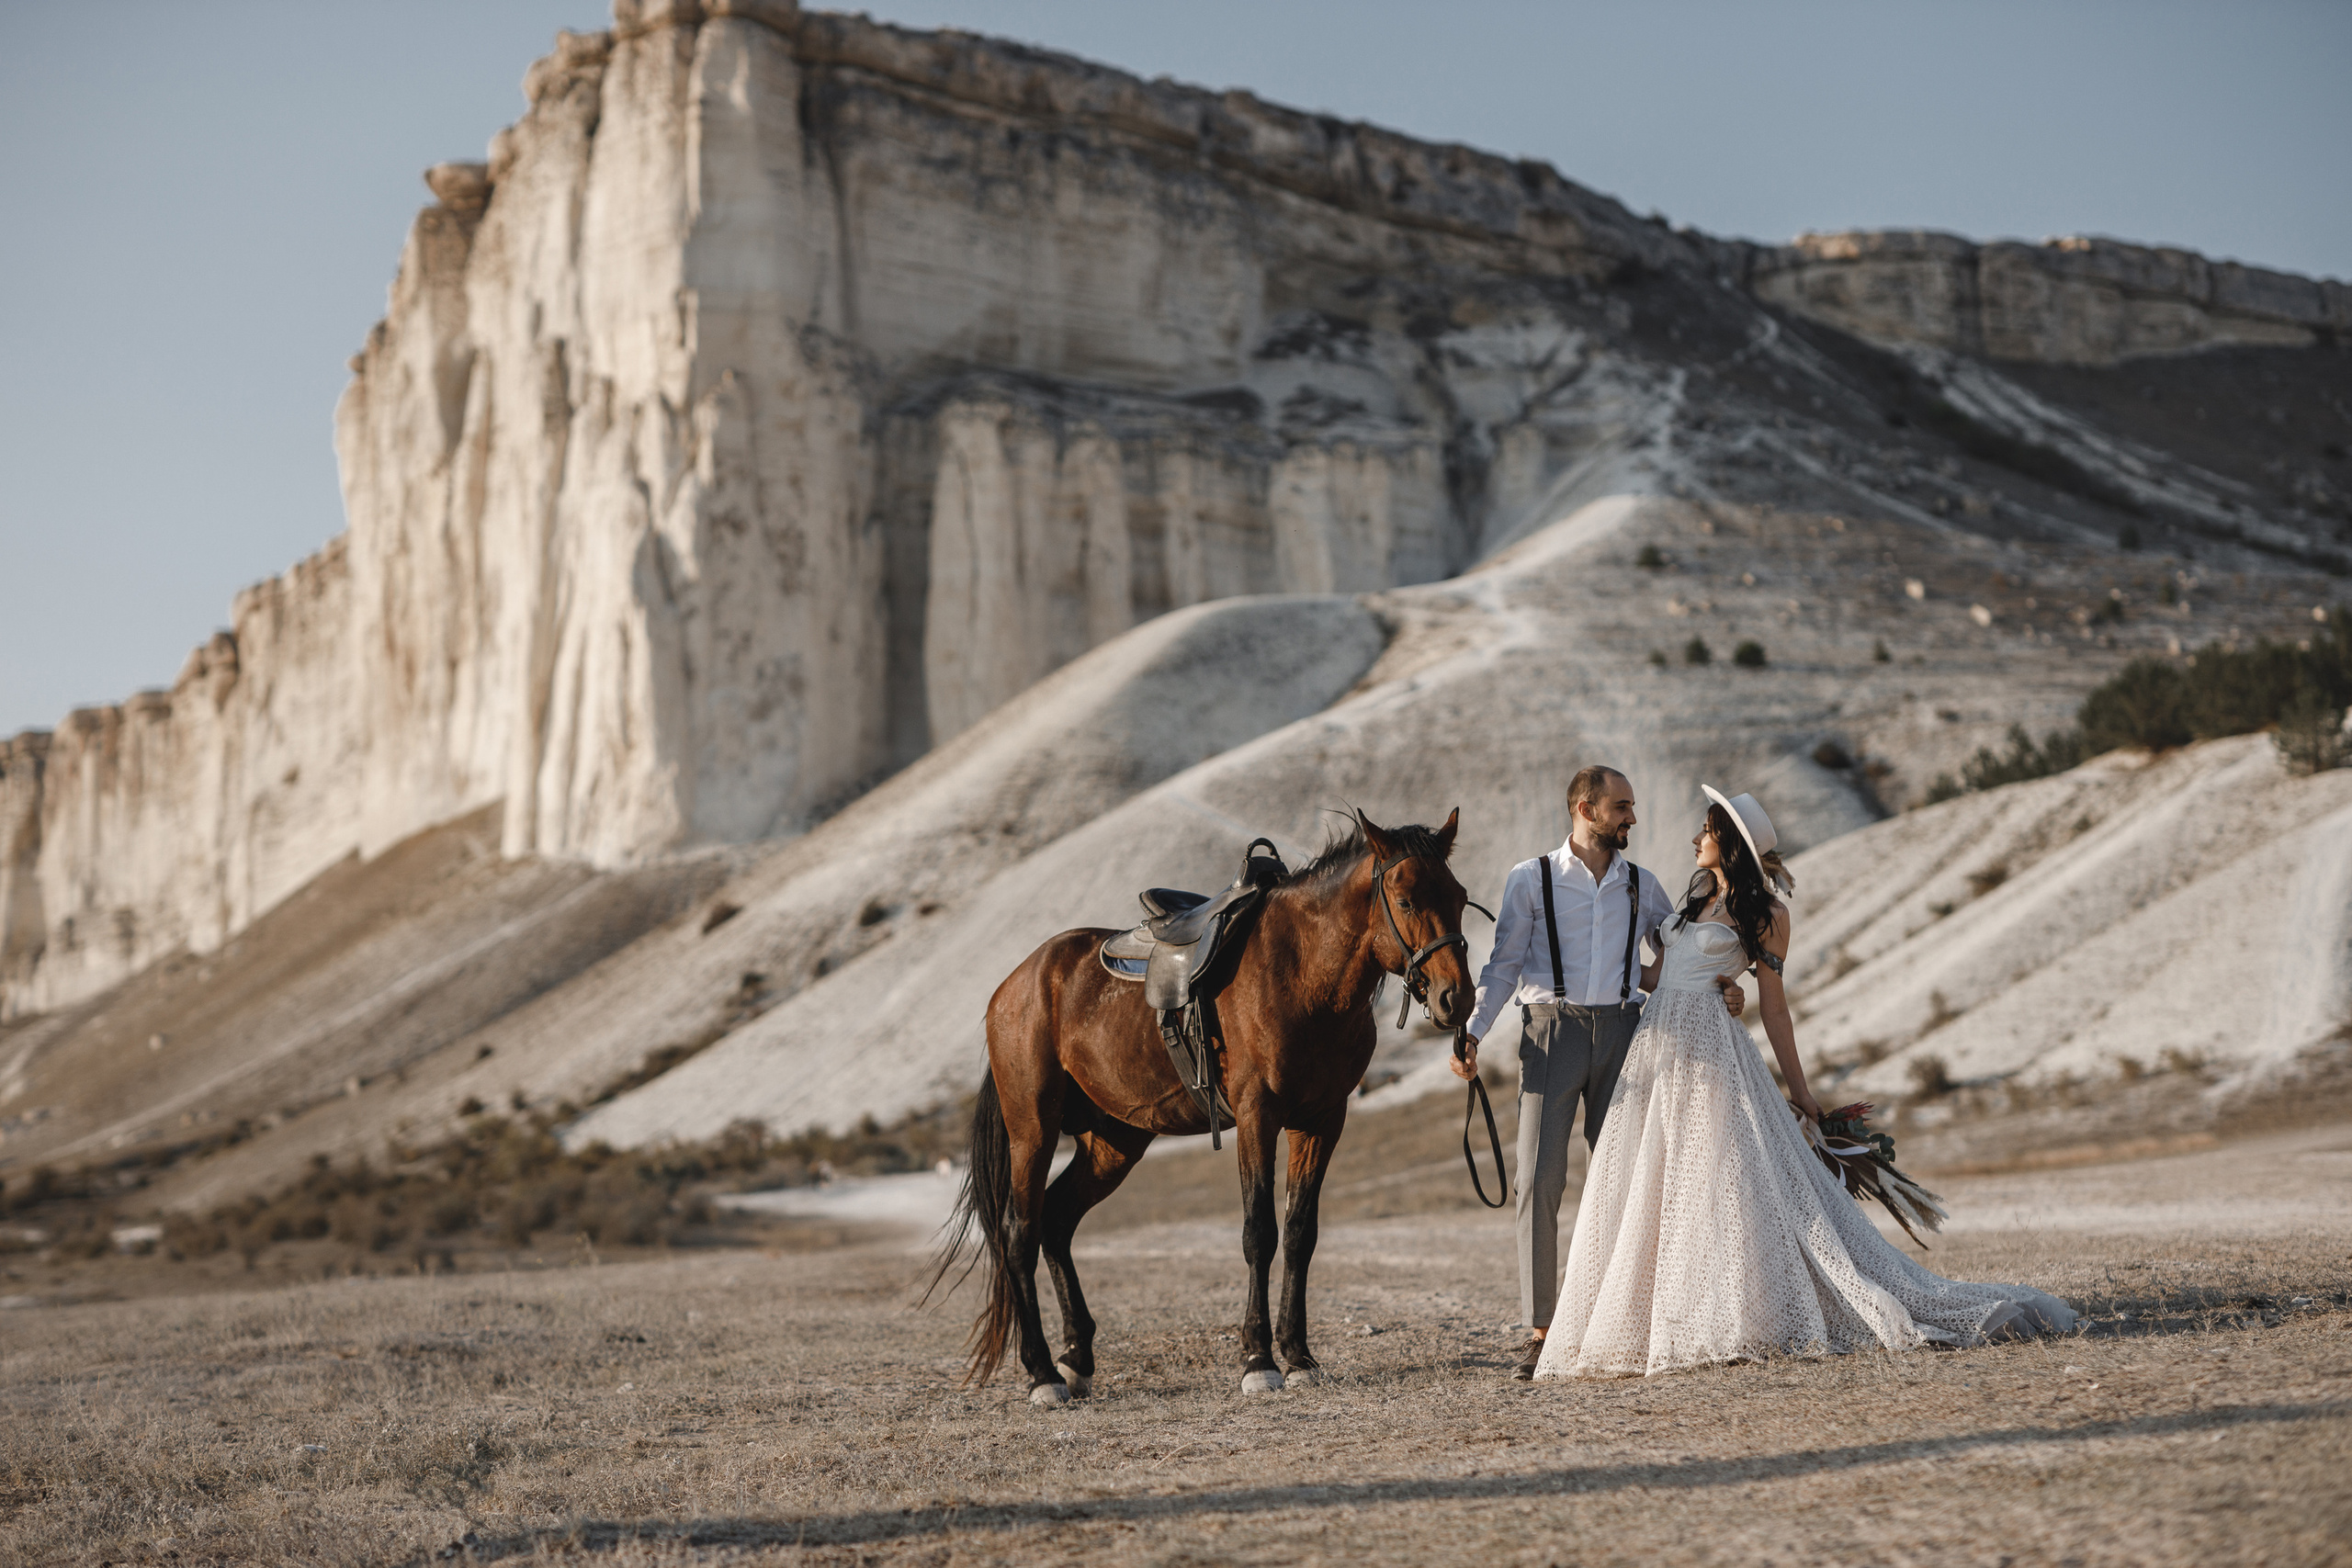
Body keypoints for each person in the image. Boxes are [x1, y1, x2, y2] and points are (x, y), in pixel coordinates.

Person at [1532, 787, 2077, 1380]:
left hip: (1716, 1051)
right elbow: (1657, 976)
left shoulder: (1769, 915)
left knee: (1722, 1182)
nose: (1695, 840)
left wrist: (1803, 1091)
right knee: (1660, 1189)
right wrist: (1583, 969)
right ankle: (1663, 1316)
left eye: (1706, 831)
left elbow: (1774, 1010)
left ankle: (1738, 1315)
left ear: (1730, 843)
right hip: (1659, 1049)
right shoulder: (1693, 898)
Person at [1451, 765, 1742, 1381]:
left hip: (1624, 1034)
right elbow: (1502, 965)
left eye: (1630, 806)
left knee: (1625, 1181)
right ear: (1585, 808)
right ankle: (1542, 1328)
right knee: (1539, 1177)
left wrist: (1723, 985)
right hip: (1549, 1032)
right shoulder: (1529, 879)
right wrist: (1472, 1031)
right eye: (1621, 806)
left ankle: (1616, 1320)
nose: (1631, 816)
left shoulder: (1642, 883)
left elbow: (1676, 951)